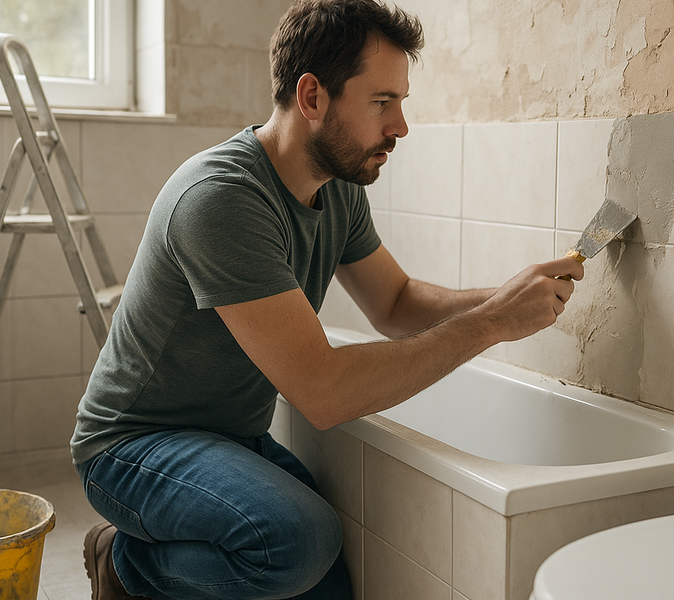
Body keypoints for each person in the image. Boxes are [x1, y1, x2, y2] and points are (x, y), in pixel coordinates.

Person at [71, 0, 584, 598]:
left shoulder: (337, 190)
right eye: (381, 102)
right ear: (312, 97)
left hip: (230, 437)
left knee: (329, 588)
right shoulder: (221, 198)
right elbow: (323, 392)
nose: (401, 126)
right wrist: (490, 324)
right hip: (133, 446)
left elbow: (395, 303)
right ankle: (123, 563)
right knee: (298, 541)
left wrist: (510, 295)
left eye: (401, 102)